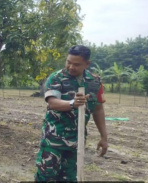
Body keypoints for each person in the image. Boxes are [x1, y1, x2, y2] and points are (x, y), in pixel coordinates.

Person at [35, 45, 108, 182]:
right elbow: (52, 102)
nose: (71, 67)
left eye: (76, 64)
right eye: (68, 62)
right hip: (53, 140)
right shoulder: (56, 78)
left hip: (77, 141)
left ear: (87, 64)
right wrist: (72, 104)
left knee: (70, 178)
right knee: (46, 177)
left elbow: (98, 109)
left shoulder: (95, 82)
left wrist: (104, 137)